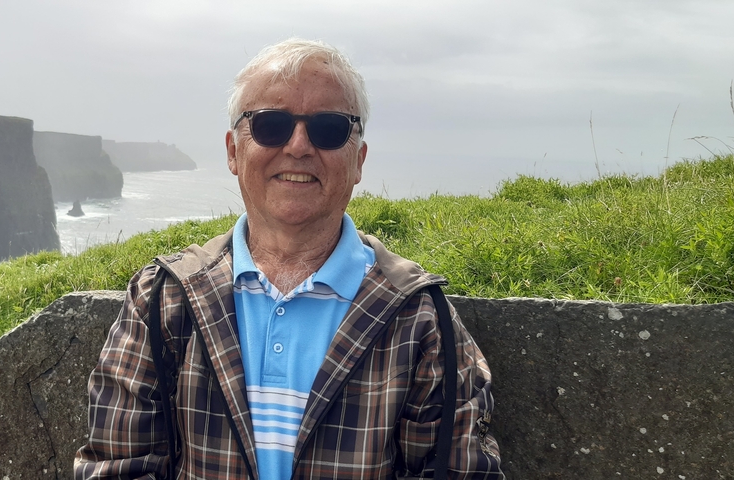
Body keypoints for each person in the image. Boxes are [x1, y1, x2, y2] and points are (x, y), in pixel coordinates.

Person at [75, 38, 504, 479]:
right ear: (232, 152)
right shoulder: (163, 299)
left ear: (358, 160)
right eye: (270, 124)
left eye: (329, 128)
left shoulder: (420, 317)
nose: (298, 145)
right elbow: (118, 465)